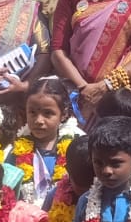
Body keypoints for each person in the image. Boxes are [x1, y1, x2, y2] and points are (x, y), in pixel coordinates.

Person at [9, 76, 84, 208]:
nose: (38, 120)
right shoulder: (17, 150)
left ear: (63, 114)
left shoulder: (77, 146)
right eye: (32, 112)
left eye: (47, 113)